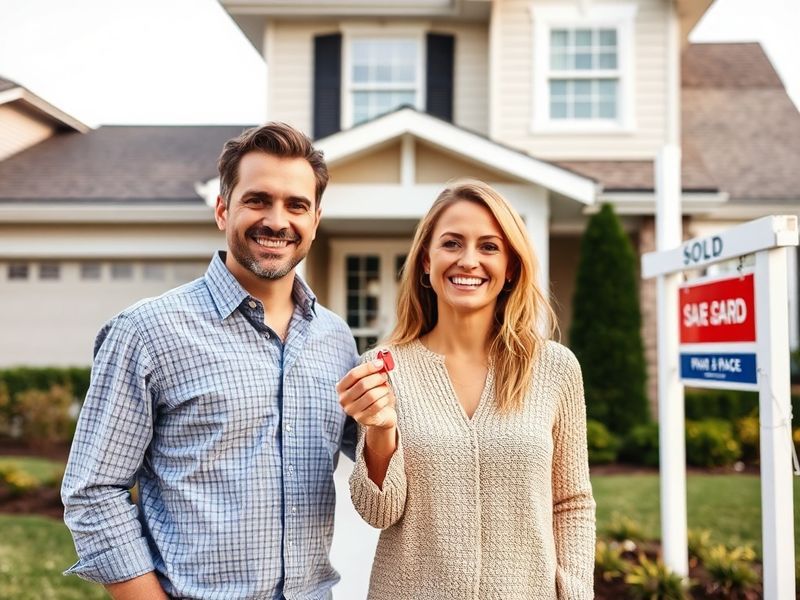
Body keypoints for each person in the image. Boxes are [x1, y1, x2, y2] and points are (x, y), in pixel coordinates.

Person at [62, 123, 358, 600]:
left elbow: (377, 462)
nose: (277, 221)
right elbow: (93, 492)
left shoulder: (336, 339)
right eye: (258, 200)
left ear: (315, 221)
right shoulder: (147, 331)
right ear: (223, 210)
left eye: (296, 205)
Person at [337, 179, 596, 599]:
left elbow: (572, 503)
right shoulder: (384, 368)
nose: (469, 261)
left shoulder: (554, 368)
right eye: (452, 244)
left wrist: (575, 591)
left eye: (489, 247)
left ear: (511, 266)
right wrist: (382, 428)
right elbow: (378, 512)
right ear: (425, 260)